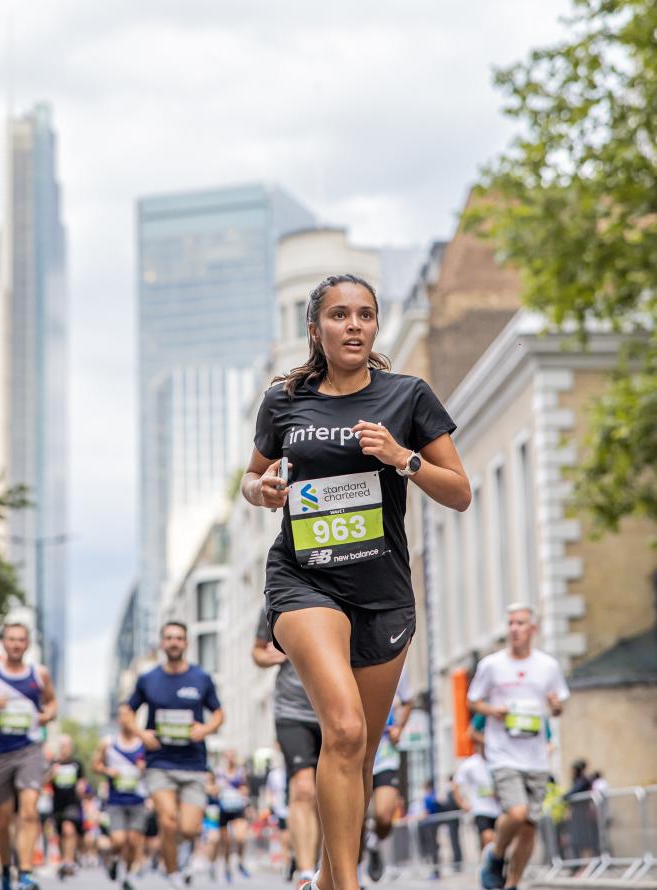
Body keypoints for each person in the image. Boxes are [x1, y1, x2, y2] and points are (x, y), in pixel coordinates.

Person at [242, 274, 470, 890]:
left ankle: (323, 875)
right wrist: (260, 490)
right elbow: (251, 476)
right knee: (342, 728)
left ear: (374, 327)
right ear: (315, 329)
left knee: (360, 752)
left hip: (383, 591)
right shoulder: (284, 399)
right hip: (303, 577)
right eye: (339, 315)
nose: (353, 325)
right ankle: (347, 885)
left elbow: (460, 493)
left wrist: (404, 458)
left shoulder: (407, 397)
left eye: (365, 315)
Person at [469, 604, 569, 890]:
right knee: (517, 812)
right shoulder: (492, 665)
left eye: (520, 623)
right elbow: (473, 701)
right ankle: (496, 854)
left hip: (536, 757)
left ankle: (512, 884)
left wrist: (556, 706)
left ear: (532, 629)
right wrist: (492, 710)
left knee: (528, 827)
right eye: (510, 623)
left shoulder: (548, 666)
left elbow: (559, 706)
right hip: (503, 755)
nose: (514, 628)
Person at [123, 620, 224, 890]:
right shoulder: (148, 679)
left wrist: (205, 729)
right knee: (167, 821)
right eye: (168, 638)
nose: (174, 642)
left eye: (179, 638)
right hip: (160, 762)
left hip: (193, 763)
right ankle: (173, 873)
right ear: (161, 643)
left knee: (189, 829)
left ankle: (182, 853)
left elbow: (218, 713)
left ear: (186, 643)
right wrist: (141, 734)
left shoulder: (201, 679)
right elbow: (126, 710)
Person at [0, 621, 57, 890]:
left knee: (29, 810)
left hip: (29, 750)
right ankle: (6, 869)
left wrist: (47, 715)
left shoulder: (39, 674)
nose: (16, 644)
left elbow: (52, 702)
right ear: (3, 642)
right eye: (11, 639)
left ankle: (26, 872)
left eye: (21, 640)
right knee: (3, 820)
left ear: (27, 644)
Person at [253, 608, 321, 888]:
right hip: (292, 710)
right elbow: (257, 651)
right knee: (304, 788)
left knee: (330, 791)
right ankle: (305, 871)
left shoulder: (346, 581)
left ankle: (330, 866)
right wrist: (270, 656)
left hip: (334, 707)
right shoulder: (279, 595)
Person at [93, 703, 148, 890]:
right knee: (118, 840)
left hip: (138, 799)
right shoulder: (108, 743)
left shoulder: (143, 743)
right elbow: (95, 765)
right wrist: (108, 771)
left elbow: (154, 766)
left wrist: (144, 768)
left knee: (133, 842)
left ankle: (126, 875)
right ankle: (115, 859)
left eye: (129, 715)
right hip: (116, 800)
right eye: (122, 715)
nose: (125, 719)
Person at [365, 666, 412, 882]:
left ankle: (373, 843)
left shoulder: (394, 659)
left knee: (384, 816)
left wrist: (399, 728)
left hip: (384, 754)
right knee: (354, 824)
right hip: (356, 753)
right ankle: (354, 879)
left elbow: (407, 700)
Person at [452, 722, 500, 850]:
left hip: (499, 808)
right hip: (481, 809)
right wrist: (462, 803)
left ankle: (492, 862)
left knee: (499, 841)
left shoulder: (498, 762)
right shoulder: (471, 764)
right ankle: (489, 862)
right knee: (488, 837)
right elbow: (456, 784)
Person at [48, 735, 86, 879]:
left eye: (67, 746)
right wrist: (52, 773)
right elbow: (44, 781)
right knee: (60, 833)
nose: (64, 749)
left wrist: (81, 788)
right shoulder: (54, 763)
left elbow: (82, 782)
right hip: (57, 803)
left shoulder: (76, 764)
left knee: (68, 829)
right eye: (62, 746)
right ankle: (64, 859)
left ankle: (69, 861)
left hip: (72, 802)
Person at [214, 750, 251, 881]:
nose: (230, 758)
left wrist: (242, 791)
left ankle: (240, 862)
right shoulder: (219, 772)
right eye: (228, 756)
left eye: (232, 756)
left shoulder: (240, 772)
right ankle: (227, 867)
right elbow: (213, 788)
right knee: (226, 842)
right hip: (224, 809)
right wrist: (217, 789)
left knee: (240, 837)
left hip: (237, 808)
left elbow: (246, 788)